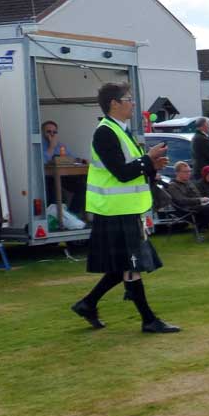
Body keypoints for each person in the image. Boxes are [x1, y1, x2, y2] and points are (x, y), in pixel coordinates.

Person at [70, 82, 179, 333]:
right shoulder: (105, 133)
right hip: (115, 210)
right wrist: (148, 159)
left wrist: (152, 165)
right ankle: (148, 320)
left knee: (126, 266)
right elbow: (121, 172)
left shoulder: (121, 130)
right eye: (128, 99)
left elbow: (132, 169)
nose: (132, 103)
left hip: (126, 209)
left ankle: (88, 303)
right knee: (132, 265)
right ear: (114, 104)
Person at [41, 120, 87, 215]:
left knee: (82, 186)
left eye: (54, 132)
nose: (52, 134)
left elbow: (71, 158)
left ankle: (72, 215)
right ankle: (55, 216)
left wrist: (80, 160)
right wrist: (51, 147)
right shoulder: (39, 145)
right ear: (42, 132)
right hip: (47, 177)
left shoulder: (61, 145)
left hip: (63, 176)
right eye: (48, 132)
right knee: (52, 187)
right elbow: (42, 162)